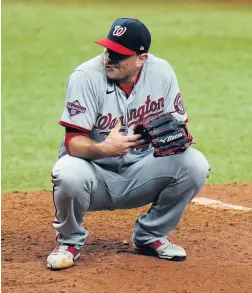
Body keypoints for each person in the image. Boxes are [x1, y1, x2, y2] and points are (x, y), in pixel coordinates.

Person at [47, 17, 210, 270]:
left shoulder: (162, 72)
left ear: (141, 59)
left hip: (140, 173)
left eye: (119, 55)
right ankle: (69, 241)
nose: (109, 58)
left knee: (195, 163)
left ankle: (150, 235)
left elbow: (179, 128)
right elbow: (73, 143)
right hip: (94, 175)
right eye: (108, 50)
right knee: (67, 171)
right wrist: (104, 149)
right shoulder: (85, 77)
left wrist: (178, 140)